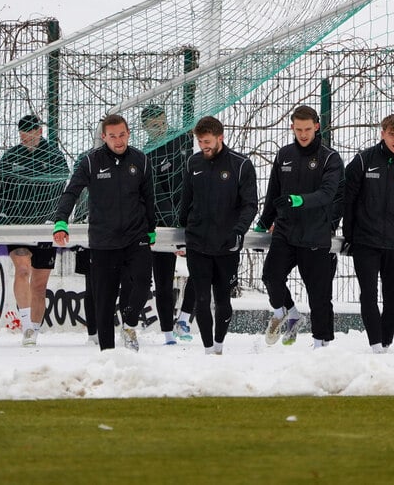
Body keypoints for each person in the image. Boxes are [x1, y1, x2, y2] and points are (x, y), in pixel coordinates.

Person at [52, 113, 154, 352]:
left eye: (122, 135)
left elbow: (149, 198)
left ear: (128, 134)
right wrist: (61, 221)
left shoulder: (140, 160)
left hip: (135, 236)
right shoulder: (91, 162)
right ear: (104, 137)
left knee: (142, 284)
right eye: (113, 136)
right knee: (104, 302)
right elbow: (71, 192)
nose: (118, 141)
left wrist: (151, 229)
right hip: (103, 241)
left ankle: (129, 324)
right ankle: (107, 355)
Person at [256, 105, 344, 349]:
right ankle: (289, 314)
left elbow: (327, 194)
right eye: (298, 130)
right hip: (285, 231)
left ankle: (321, 345)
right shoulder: (284, 154)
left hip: (315, 234)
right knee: (271, 277)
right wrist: (263, 223)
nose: (303, 134)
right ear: (292, 128)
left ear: (316, 127)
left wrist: (298, 200)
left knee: (319, 295)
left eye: (307, 129)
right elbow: (274, 192)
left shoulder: (330, 158)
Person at [342, 114, 394, 353]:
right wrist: (349, 234)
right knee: (368, 295)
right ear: (382, 134)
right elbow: (349, 199)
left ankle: (386, 343)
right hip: (366, 242)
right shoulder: (363, 160)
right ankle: (375, 345)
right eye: (392, 134)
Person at [178, 116, 258, 355]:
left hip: (226, 245)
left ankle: (219, 345)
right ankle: (207, 350)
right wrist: (183, 233)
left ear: (220, 137)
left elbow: (250, 205)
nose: (204, 146)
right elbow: (186, 201)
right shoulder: (194, 163)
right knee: (202, 299)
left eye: (208, 141)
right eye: (200, 141)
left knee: (223, 301)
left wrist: (238, 231)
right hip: (197, 243)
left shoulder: (240, 165)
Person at [118, 105, 195, 345]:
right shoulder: (146, 155)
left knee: (202, 271)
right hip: (162, 225)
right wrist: (173, 224)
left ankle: (183, 320)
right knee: (162, 281)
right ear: (144, 127)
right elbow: (156, 195)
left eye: (161, 121)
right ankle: (168, 334)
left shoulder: (183, 140)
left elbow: (191, 181)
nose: (159, 127)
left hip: (190, 221)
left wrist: (188, 218)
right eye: (153, 125)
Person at [0, 114, 69, 346]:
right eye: (22, 133)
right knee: (22, 270)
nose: (26, 137)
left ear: (40, 131)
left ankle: (34, 330)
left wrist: (56, 219)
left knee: (39, 284)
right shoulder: (11, 157)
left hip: (45, 226)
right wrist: (3, 216)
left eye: (31, 132)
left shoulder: (54, 156)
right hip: (18, 225)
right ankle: (26, 326)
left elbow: (63, 189)